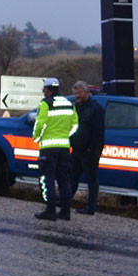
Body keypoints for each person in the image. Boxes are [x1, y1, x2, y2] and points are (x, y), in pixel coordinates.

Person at [33, 77, 79, 221]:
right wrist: (65, 135)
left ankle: (50, 209)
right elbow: (75, 125)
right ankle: (65, 211)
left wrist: (37, 137)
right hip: (64, 147)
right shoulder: (69, 104)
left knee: (47, 178)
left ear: (47, 90)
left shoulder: (46, 104)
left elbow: (40, 124)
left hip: (48, 147)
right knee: (64, 179)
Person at [70, 80, 105, 215]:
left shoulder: (95, 109)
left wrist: (92, 149)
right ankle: (66, 201)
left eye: (80, 93)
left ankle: (91, 208)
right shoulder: (76, 107)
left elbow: (99, 132)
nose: (77, 96)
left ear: (87, 92)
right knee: (72, 177)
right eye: (76, 93)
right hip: (77, 149)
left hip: (90, 151)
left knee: (91, 179)